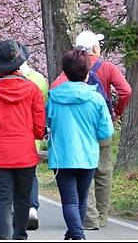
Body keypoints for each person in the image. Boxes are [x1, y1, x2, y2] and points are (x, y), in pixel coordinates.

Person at [51, 30, 132, 230]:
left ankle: (89, 219)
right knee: (103, 172)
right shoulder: (107, 67)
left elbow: (55, 88)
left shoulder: (71, 68)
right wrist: (116, 113)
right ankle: (102, 217)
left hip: (76, 130)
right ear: (95, 48)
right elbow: (126, 90)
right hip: (101, 125)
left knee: (81, 167)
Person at [0, 39, 46, 240]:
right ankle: (20, 235)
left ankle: (4, 235)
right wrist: (37, 135)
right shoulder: (32, 89)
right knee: (23, 198)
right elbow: (39, 124)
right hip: (25, 152)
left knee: (3, 199)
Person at [47, 49, 114, 240]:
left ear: (65, 72)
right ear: (87, 72)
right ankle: (77, 234)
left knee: (69, 200)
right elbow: (105, 132)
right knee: (82, 199)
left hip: (62, 156)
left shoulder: (54, 97)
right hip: (88, 156)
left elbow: (47, 123)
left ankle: (75, 234)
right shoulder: (96, 98)